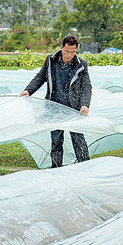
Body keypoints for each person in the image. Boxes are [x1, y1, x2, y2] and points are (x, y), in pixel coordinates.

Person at [20, 35, 92, 167]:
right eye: (67, 51)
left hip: (74, 109)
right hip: (54, 107)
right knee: (56, 141)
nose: (70, 55)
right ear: (61, 48)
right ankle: (56, 169)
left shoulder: (81, 65)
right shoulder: (51, 60)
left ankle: (85, 167)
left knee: (78, 140)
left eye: (73, 52)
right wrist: (28, 90)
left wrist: (84, 104)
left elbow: (86, 87)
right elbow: (40, 77)